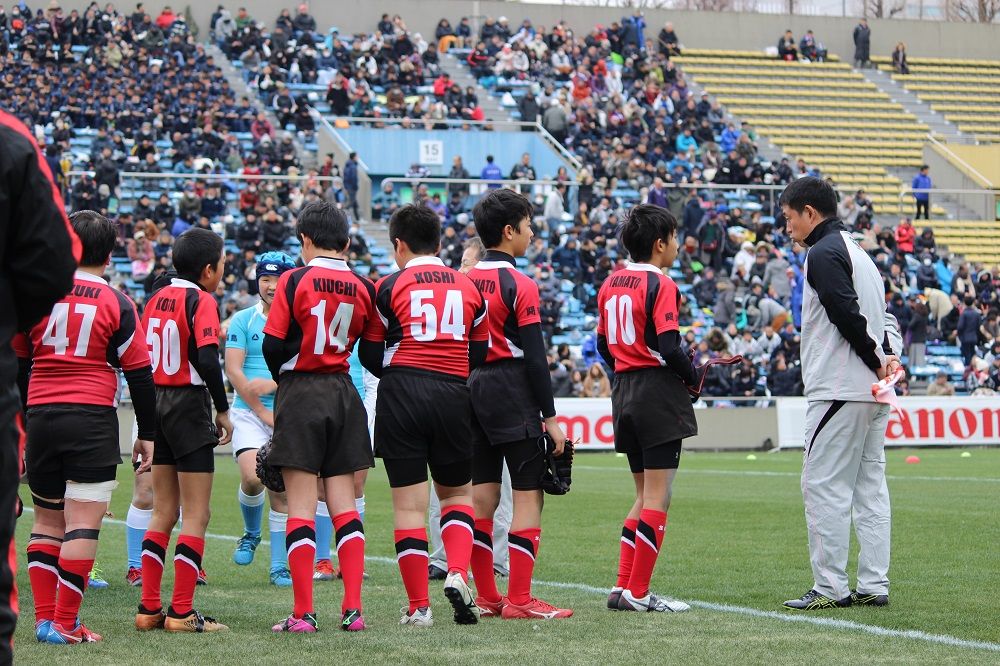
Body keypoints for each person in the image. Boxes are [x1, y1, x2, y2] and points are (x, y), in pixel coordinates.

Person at [23, 212, 154, 645]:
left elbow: (18, 365)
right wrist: (148, 432)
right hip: (91, 418)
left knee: (46, 521)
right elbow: (139, 373)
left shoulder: (36, 296)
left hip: (40, 414)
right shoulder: (117, 302)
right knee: (82, 522)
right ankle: (65, 623)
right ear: (110, 255)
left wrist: (20, 423)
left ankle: (44, 621)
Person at [358, 204, 488, 627]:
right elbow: (479, 352)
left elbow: (371, 355)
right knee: (457, 496)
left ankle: (419, 607)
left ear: (399, 244)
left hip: (402, 393)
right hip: (453, 393)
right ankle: (457, 572)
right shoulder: (469, 288)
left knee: (409, 509)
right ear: (438, 242)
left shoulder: (387, 286)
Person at [778, 177, 902, 611]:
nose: (787, 227)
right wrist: (885, 357)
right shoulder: (860, 253)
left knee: (823, 485)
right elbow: (878, 316)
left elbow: (844, 312)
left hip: (839, 387)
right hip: (871, 392)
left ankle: (830, 586)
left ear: (810, 213)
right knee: (870, 487)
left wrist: (875, 358)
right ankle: (874, 582)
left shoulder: (822, 252)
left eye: (789, 217)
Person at [262, 201, 377, 633]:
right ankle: (353, 610)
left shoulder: (295, 279)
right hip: (344, 391)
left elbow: (272, 344)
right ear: (346, 242)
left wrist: (286, 378)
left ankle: (303, 613)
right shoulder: (364, 285)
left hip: (302, 391)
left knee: (301, 506)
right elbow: (371, 349)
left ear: (305, 240)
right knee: (345, 505)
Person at [465, 189, 572, 620]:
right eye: (528, 227)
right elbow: (535, 359)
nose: (531, 235)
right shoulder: (521, 284)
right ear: (509, 231)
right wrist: (551, 419)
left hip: (472, 388)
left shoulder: (463, 281)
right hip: (512, 388)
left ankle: (488, 596)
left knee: (481, 497)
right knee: (529, 494)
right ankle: (521, 600)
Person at [0, 109, 81, 659]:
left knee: (49, 516)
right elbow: (53, 265)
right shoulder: (11, 140)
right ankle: (62, 619)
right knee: (72, 515)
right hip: (81, 411)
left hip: (44, 403)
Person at [597, 204, 696, 614]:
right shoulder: (661, 283)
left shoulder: (610, 283)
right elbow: (669, 345)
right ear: (659, 243)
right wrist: (692, 376)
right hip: (656, 391)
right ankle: (638, 592)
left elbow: (602, 345)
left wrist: (626, 366)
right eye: (673, 239)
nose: (677, 246)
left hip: (624, 390)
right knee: (658, 496)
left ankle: (622, 587)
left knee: (641, 494)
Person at [137, 228, 233, 633]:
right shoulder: (201, 300)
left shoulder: (156, 298)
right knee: (196, 513)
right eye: (222, 264)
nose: (223, 271)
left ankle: (148, 609)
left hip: (157, 402)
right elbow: (208, 360)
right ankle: (181, 612)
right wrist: (222, 409)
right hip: (187, 404)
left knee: (163, 511)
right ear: (208, 269)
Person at [430, 237, 514, 580]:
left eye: (467, 262)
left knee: (496, 484)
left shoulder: (490, 298)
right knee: (444, 479)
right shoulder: (453, 297)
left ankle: (496, 558)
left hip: (488, 394)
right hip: (454, 394)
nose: (461, 268)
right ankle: (442, 557)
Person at [225, 251, 297, 587]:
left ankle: (279, 566)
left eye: (278, 279)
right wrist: (261, 410)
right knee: (253, 478)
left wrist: (276, 385)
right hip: (249, 413)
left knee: (281, 489)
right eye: (265, 279)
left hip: (287, 411)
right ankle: (251, 533)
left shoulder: (299, 320)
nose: (271, 285)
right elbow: (233, 369)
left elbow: (306, 365)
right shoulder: (243, 319)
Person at [343, 152, 360, 221]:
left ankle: (358, 219)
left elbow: (345, 177)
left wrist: (346, 186)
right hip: (352, 187)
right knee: (351, 202)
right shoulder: (353, 166)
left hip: (348, 186)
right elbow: (353, 178)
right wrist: (355, 186)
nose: (358, 158)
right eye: (357, 156)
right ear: (354, 157)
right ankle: (342, 211)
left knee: (354, 203)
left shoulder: (347, 165)